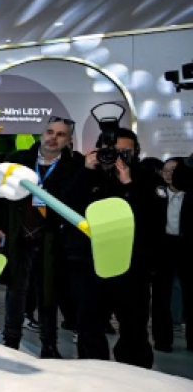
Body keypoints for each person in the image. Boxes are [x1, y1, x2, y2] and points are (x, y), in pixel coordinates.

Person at [0, 117, 81, 358]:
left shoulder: (74, 166)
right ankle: (11, 341)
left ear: (68, 140)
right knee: (15, 290)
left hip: (53, 239)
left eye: (60, 134)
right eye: (50, 132)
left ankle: (49, 345)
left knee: (49, 293)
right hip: (18, 234)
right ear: (42, 133)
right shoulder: (18, 160)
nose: (53, 138)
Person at [59, 128, 158, 368]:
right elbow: (66, 206)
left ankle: (136, 373)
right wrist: (87, 171)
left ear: (136, 152)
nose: (119, 157)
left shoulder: (144, 177)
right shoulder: (81, 172)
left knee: (134, 325)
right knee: (89, 324)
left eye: (126, 152)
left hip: (131, 264)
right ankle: (95, 373)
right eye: (113, 151)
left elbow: (150, 218)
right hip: (89, 262)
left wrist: (128, 183)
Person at [153, 158, 191, 352]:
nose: (168, 174)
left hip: (186, 247)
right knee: (161, 295)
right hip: (163, 247)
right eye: (165, 170)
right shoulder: (156, 195)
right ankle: (162, 339)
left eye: (173, 170)